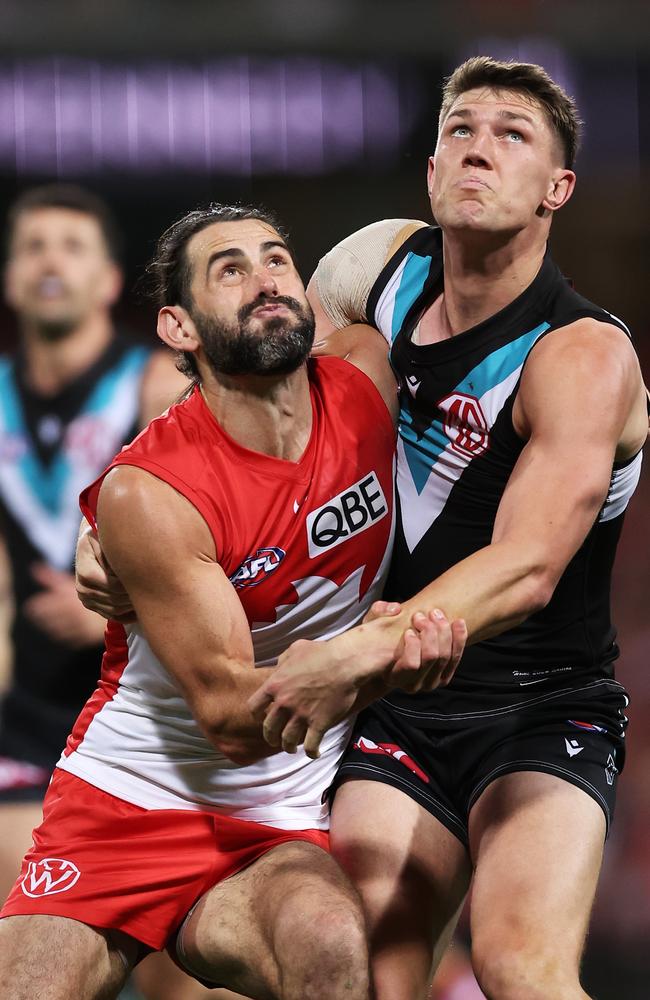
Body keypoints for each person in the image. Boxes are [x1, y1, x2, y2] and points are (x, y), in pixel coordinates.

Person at [246, 57, 648, 1000]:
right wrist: (134, 502)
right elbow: (251, 402)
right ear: (430, 173)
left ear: (558, 190)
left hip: (542, 706)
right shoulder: (375, 268)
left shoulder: (581, 353)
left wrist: (353, 652)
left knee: (521, 967)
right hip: (405, 710)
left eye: (513, 136)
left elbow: (526, 568)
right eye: (460, 130)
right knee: (363, 972)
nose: (479, 149)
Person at [0, 204, 463, 1000]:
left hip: (278, 818)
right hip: (127, 798)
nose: (265, 280)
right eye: (230, 270)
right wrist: (376, 657)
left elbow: (438, 253)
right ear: (178, 327)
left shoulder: (370, 380)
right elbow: (229, 719)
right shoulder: (153, 494)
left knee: (330, 946)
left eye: (276, 260)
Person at [0, 183, 195, 999]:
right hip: (27, 719)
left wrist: (125, 607)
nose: (51, 262)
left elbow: (224, 540)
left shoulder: (157, 388)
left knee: (187, 980)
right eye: (33, 247)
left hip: (151, 722)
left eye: (71, 247)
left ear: (111, 282)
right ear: (10, 277)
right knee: (31, 961)